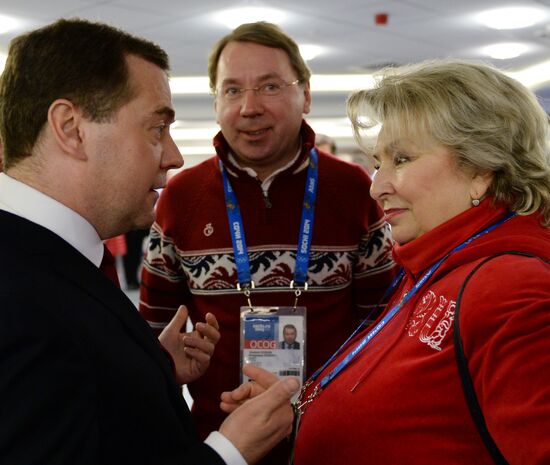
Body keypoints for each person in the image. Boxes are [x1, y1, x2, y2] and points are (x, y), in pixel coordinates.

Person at [0, 18, 299, 465]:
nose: (175, 157)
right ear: (71, 128)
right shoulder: (18, 295)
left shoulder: (47, 258)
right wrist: (229, 452)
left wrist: (144, 368)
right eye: (157, 128)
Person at [222, 59, 550, 464]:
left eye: (403, 159)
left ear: (481, 167)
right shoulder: (431, 269)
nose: (377, 186)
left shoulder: (511, 287)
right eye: (379, 162)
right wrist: (301, 410)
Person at [139, 21, 396, 463]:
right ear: (216, 101)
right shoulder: (180, 197)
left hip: (334, 436)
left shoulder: (354, 189)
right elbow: (153, 330)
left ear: (306, 95)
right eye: (232, 90)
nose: (249, 108)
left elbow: (382, 327)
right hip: (217, 439)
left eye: (270, 86)